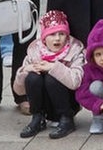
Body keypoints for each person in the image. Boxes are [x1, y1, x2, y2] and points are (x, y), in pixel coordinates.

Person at [15, 10, 84, 140]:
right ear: (44, 38)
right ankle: (37, 118)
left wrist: (54, 67)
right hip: (44, 101)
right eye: (52, 34)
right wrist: (25, 70)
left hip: (67, 101)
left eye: (61, 34)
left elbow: (76, 82)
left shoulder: (74, 50)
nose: (57, 38)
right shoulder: (35, 51)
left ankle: (67, 119)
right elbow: (19, 91)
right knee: (33, 77)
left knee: (52, 78)